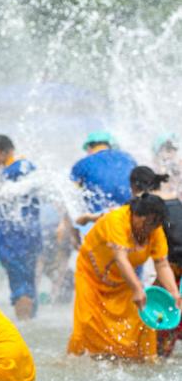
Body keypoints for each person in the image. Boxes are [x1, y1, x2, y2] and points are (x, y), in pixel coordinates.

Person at [67, 194, 182, 359]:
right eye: (147, 222)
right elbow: (120, 258)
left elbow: (162, 264)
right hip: (90, 275)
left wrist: (174, 293)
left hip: (121, 280)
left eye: (155, 224)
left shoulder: (155, 231)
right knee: (86, 322)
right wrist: (137, 288)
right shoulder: (117, 220)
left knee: (141, 323)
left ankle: (145, 362)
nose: (149, 229)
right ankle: (74, 362)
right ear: (135, 214)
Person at [0, 135, 41, 320]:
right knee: (29, 283)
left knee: (19, 286)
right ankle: (31, 323)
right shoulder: (28, 167)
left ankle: (25, 332)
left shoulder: (9, 171)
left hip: (12, 238)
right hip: (30, 235)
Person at [129, 166, 182, 357]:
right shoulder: (176, 199)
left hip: (173, 268)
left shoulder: (150, 208)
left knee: (157, 317)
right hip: (175, 268)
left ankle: (155, 358)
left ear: (137, 188)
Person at [71, 130, 136, 219]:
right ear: (109, 145)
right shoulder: (128, 158)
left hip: (100, 216)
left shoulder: (82, 163)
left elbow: (73, 191)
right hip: (130, 211)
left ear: (89, 147)